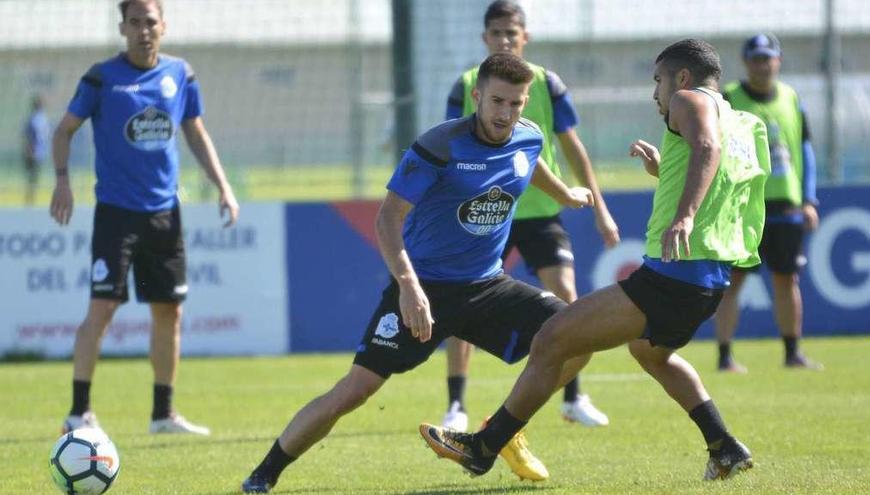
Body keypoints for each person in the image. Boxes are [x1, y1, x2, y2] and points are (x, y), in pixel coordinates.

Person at [241, 53, 596, 493]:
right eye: (498, 101)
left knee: (578, 336)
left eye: (516, 104)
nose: (506, 114)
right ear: (477, 95)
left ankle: (494, 435)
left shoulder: (528, 136)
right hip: (423, 286)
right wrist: (409, 287)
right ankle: (264, 473)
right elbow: (387, 219)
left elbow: (531, 162)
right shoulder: (440, 145)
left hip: (488, 284)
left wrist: (566, 193)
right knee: (355, 391)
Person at [421, 39, 769, 481]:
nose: (656, 93)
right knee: (651, 353)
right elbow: (719, 172)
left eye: (657, 81)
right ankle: (724, 447)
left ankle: (484, 447)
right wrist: (667, 168)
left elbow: (705, 150)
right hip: (709, 276)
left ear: (681, 78)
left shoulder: (687, 99)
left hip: (676, 272)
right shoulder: (740, 120)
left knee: (552, 337)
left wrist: (683, 215)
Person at [51, 0, 239, 436]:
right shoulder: (102, 77)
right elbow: (63, 130)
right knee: (102, 307)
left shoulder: (180, 75)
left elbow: (196, 132)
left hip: (164, 215)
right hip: (116, 214)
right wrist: (62, 180)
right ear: (123, 28)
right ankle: (79, 411)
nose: (143, 30)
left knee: (169, 312)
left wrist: (223, 187)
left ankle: (163, 415)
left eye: (150, 22)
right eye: (134, 23)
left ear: (163, 26)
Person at [441, 0, 618, 433]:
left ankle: (573, 397)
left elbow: (572, 146)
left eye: (512, 32)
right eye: (497, 33)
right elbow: (450, 147)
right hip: (484, 213)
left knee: (567, 297)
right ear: (486, 39)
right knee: (463, 307)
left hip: (540, 210)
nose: (505, 39)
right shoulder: (466, 84)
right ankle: (457, 406)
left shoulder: (547, 83)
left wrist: (601, 209)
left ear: (526, 36)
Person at [714, 33, 822, 373]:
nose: (763, 65)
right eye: (757, 59)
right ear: (746, 62)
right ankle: (725, 356)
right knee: (734, 282)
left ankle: (792, 352)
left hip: (786, 205)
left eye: (768, 58)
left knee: (786, 279)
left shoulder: (791, 98)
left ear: (778, 60)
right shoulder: (728, 97)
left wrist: (809, 198)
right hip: (743, 205)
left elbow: (805, 151)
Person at [23, 94, 51, 206]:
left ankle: (31, 200)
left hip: (37, 152)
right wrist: (30, 151)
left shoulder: (37, 118)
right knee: (32, 177)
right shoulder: (38, 119)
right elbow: (30, 136)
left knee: (33, 177)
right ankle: (30, 200)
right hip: (35, 152)